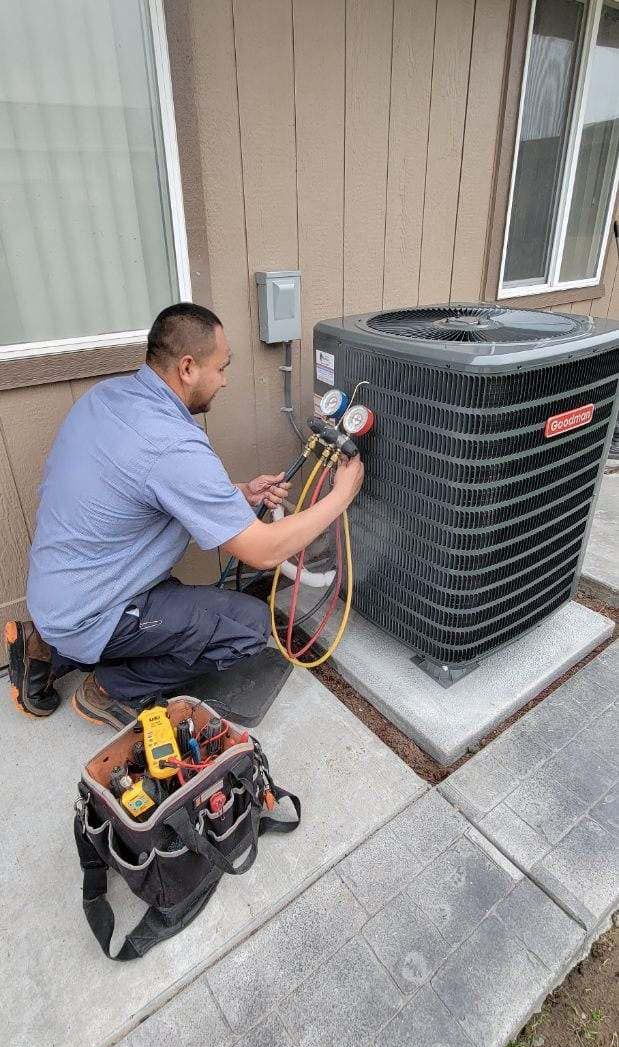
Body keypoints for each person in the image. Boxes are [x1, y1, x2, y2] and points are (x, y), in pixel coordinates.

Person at [5, 303, 364, 729]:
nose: (225, 380)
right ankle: (110, 689)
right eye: (222, 368)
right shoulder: (171, 444)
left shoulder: (108, 398)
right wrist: (341, 495)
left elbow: (142, 491)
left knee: (174, 607)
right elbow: (264, 552)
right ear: (188, 368)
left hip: (59, 594)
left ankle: (41, 643)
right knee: (247, 627)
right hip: (97, 608)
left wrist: (240, 493)